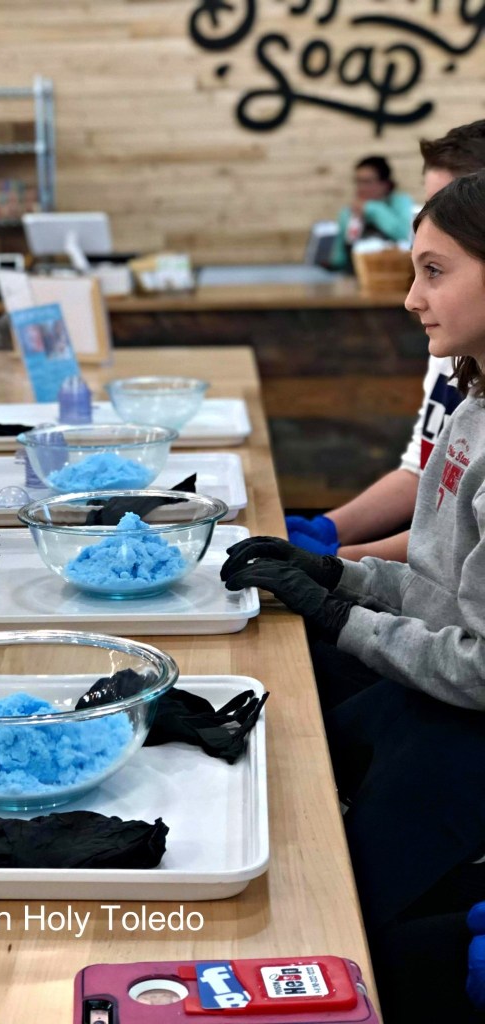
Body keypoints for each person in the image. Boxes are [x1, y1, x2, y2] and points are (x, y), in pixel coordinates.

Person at [222, 170, 485, 1023]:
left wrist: (344, 618)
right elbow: (445, 593)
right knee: (284, 762)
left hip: (470, 728)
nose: (412, 299)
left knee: (330, 913)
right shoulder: (470, 408)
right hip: (438, 699)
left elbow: (480, 666)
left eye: (435, 272)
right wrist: (338, 576)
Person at [289, 120, 485, 562]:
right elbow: (426, 476)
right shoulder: (461, 359)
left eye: (448, 203)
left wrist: (340, 563)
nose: (412, 300)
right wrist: (329, 533)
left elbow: (450, 554)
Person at [329, 155, 414, 273]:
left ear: (385, 184)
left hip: (395, 275)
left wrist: (372, 209)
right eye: (358, 182)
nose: (361, 188)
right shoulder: (349, 213)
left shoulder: (399, 203)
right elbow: (339, 258)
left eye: (367, 182)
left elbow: (405, 236)